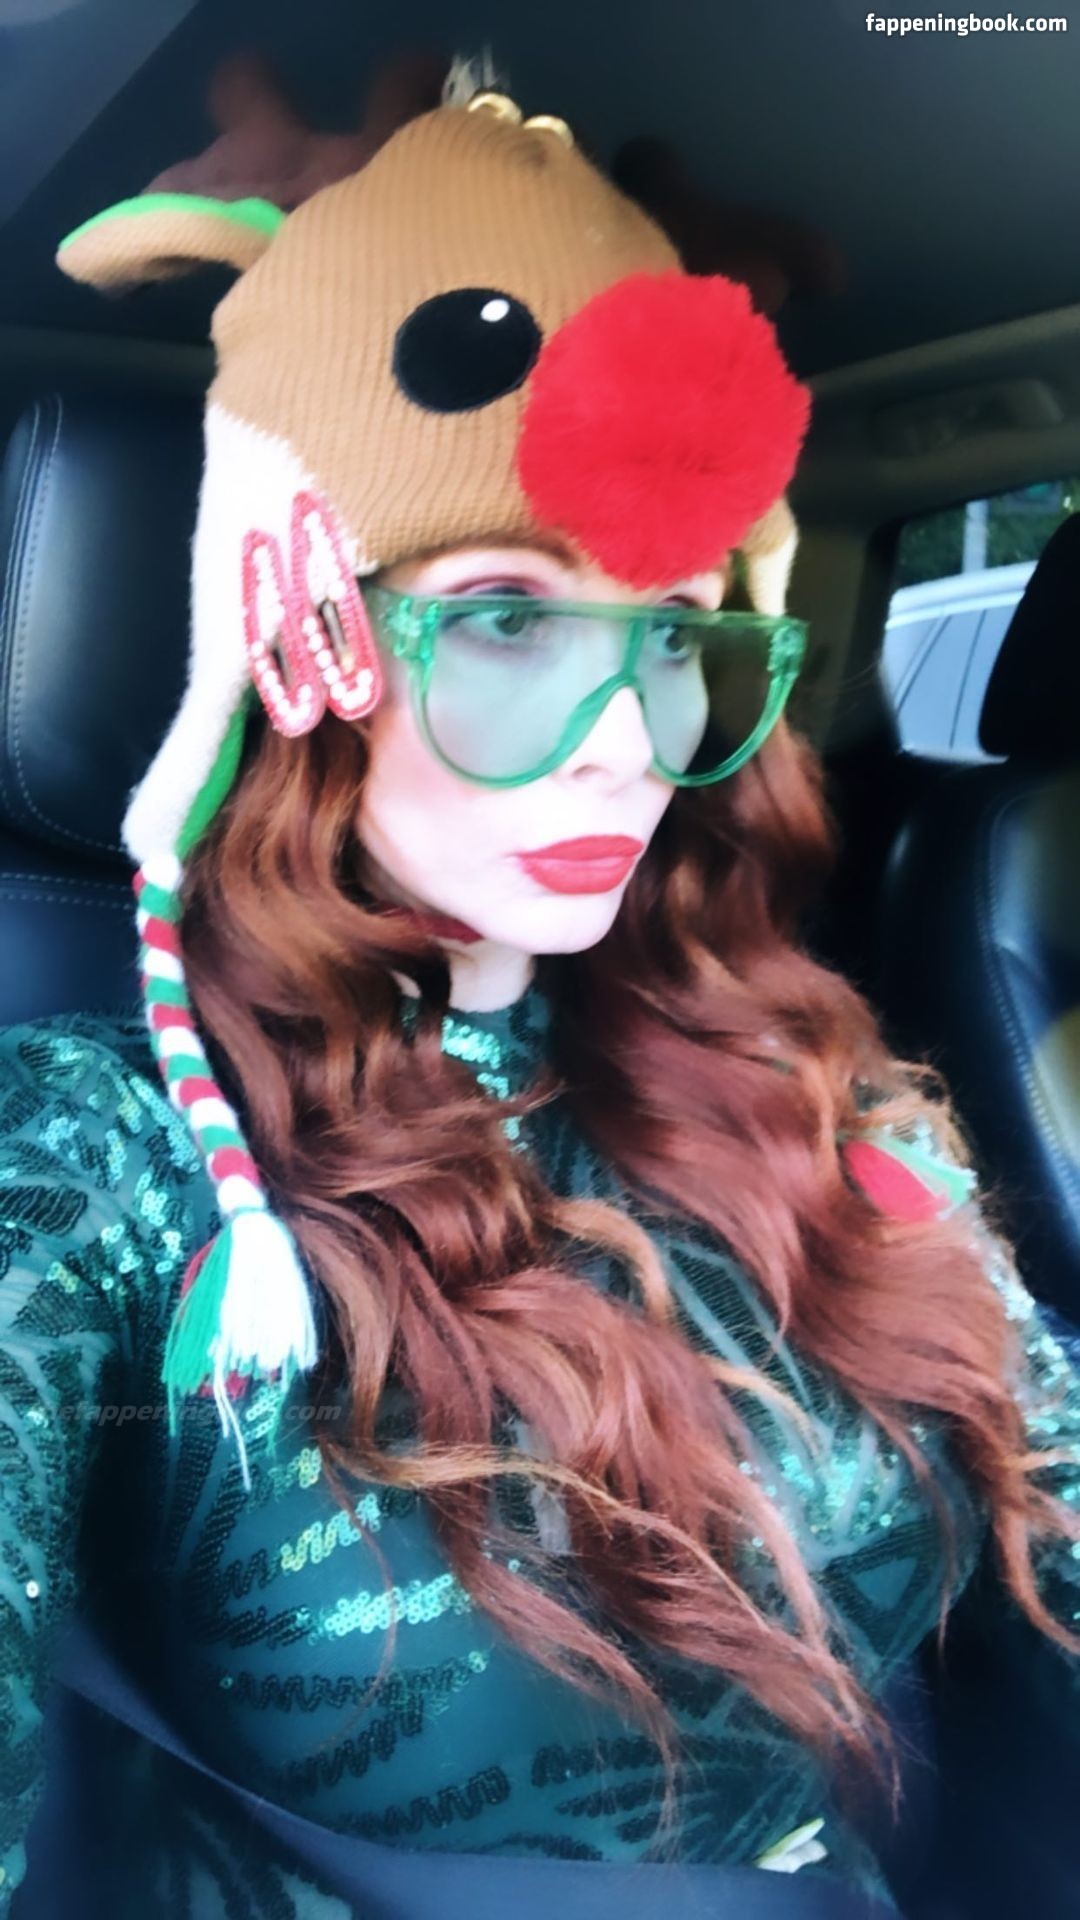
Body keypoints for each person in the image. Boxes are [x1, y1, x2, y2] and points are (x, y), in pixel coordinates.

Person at [0, 56, 1077, 1920]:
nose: (626, 740)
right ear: (307, 636)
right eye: (507, 618)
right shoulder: (107, 1153)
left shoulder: (802, 1079)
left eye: (670, 634)